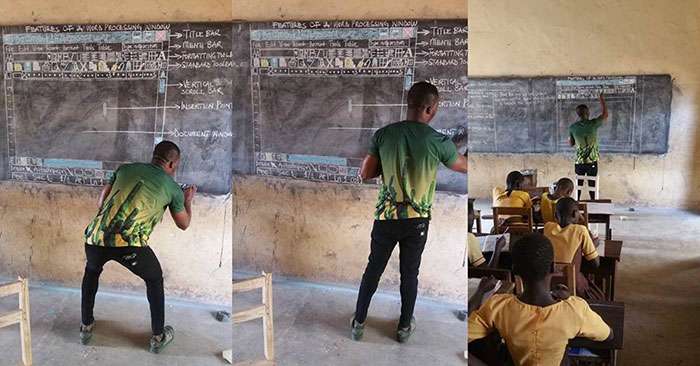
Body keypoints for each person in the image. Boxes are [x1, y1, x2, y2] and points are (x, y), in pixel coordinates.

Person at [351, 81, 468, 343]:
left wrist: (389, 162)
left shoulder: (383, 135)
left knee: (373, 270)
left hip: (386, 218)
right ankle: (404, 328)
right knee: (409, 273)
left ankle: (358, 322)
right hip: (417, 221)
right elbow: (463, 166)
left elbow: (365, 174)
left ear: (409, 104)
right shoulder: (439, 141)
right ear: (431, 108)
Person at [80, 140, 196, 353]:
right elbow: (184, 224)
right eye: (176, 166)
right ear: (172, 164)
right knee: (154, 279)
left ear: (154, 156)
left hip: (95, 238)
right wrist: (188, 200)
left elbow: (101, 203)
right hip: (129, 245)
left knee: (91, 272)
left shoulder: (124, 169)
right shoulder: (172, 188)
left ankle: (86, 325)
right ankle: (158, 336)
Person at [468, 233, 613, 366]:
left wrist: (480, 292)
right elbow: (608, 335)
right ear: (552, 267)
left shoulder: (497, 307)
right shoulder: (575, 309)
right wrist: (569, 300)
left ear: (515, 270)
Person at [543, 197, 604, 301]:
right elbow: (595, 263)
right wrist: (593, 244)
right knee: (600, 296)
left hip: (549, 285)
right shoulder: (580, 230)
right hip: (573, 287)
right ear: (576, 214)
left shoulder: (547, 227)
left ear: (555, 215)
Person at [569, 93, 608, 200]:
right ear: (588, 113)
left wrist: (577, 137)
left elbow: (571, 144)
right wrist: (602, 100)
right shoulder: (593, 123)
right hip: (592, 161)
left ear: (578, 114)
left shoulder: (572, 127)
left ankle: (577, 202)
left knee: (578, 185)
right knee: (592, 185)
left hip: (579, 162)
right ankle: (593, 203)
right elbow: (605, 115)